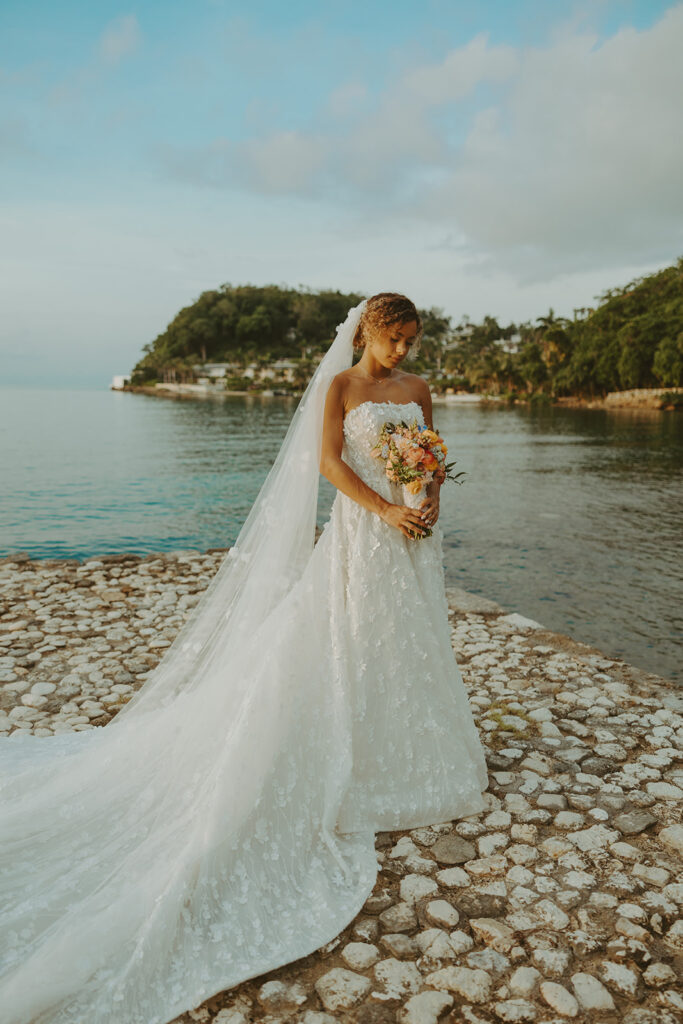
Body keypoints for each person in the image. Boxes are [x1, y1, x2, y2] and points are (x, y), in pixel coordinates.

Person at [0, 293, 489, 1024]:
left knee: (410, 634)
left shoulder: (415, 392)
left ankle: (412, 738)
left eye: (413, 342)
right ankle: (349, 743)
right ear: (367, 334)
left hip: (415, 534)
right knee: (351, 633)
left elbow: (429, 458)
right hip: (364, 532)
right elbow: (328, 461)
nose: (405, 355)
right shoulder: (341, 387)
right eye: (395, 341)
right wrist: (384, 509)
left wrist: (427, 502)